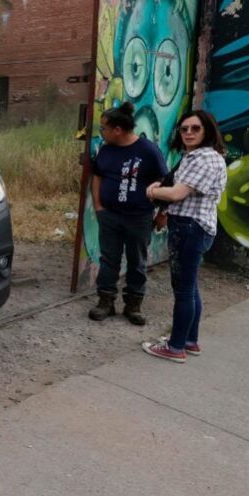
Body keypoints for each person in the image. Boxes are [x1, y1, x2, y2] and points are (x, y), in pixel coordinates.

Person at [143, 110, 228, 363]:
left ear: (208, 131)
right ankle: (189, 340)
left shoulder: (204, 159)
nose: (189, 133)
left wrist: (153, 191)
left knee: (183, 290)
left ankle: (175, 346)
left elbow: (178, 194)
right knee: (189, 287)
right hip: (191, 227)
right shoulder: (195, 156)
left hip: (190, 229)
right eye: (184, 129)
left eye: (195, 128)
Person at [88, 102, 168, 325]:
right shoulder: (106, 150)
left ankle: (134, 305)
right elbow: (97, 176)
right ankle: (105, 302)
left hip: (139, 217)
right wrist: (98, 206)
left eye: (104, 128)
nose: (101, 132)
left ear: (117, 130)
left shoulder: (148, 151)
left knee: (137, 261)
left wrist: (163, 212)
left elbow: (165, 181)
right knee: (109, 259)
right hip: (110, 215)